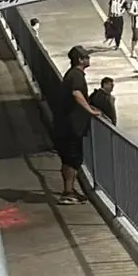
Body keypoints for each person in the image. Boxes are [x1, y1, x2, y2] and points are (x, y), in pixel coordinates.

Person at [54, 45, 102, 205]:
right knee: (71, 159)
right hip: (70, 126)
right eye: (87, 57)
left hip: (70, 125)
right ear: (80, 60)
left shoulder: (73, 74)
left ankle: (71, 189)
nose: (89, 59)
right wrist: (90, 110)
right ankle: (67, 191)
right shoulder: (76, 76)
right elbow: (76, 93)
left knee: (73, 159)